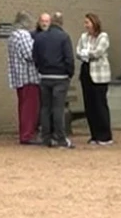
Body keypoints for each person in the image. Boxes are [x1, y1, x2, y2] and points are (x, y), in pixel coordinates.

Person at [32, 11, 76, 148]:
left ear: (51, 22)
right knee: (58, 108)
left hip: (44, 77)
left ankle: (46, 138)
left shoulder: (39, 38)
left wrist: (41, 69)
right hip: (60, 77)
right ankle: (61, 138)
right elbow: (69, 58)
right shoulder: (64, 37)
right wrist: (69, 73)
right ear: (61, 22)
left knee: (45, 108)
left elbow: (35, 57)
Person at [77, 12, 115, 146]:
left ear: (94, 23)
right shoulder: (83, 37)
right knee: (89, 105)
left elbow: (98, 52)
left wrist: (86, 53)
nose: (85, 25)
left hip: (99, 75)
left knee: (100, 104)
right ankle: (94, 134)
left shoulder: (103, 36)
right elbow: (78, 51)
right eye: (85, 23)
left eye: (87, 22)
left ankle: (105, 135)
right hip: (86, 71)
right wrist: (84, 53)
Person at [6, 12, 39, 144]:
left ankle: (24, 132)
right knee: (30, 108)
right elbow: (30, 54)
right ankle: (27, 135)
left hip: (18, 76)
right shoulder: (24, 35)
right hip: (28, 76)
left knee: (23, 106)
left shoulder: (12, 36)